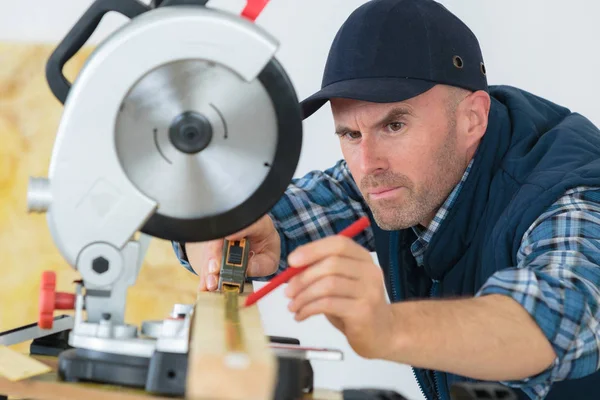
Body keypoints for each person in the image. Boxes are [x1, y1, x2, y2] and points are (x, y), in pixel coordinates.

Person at [172, 0, 600, 399]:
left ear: (473, 118)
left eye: (394, 125)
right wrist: (219, 236)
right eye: (349, 134)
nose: (368, 163)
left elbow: (554, 320)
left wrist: (388, 328)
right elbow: (250, 224)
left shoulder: (572, 194)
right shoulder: (394, 179)